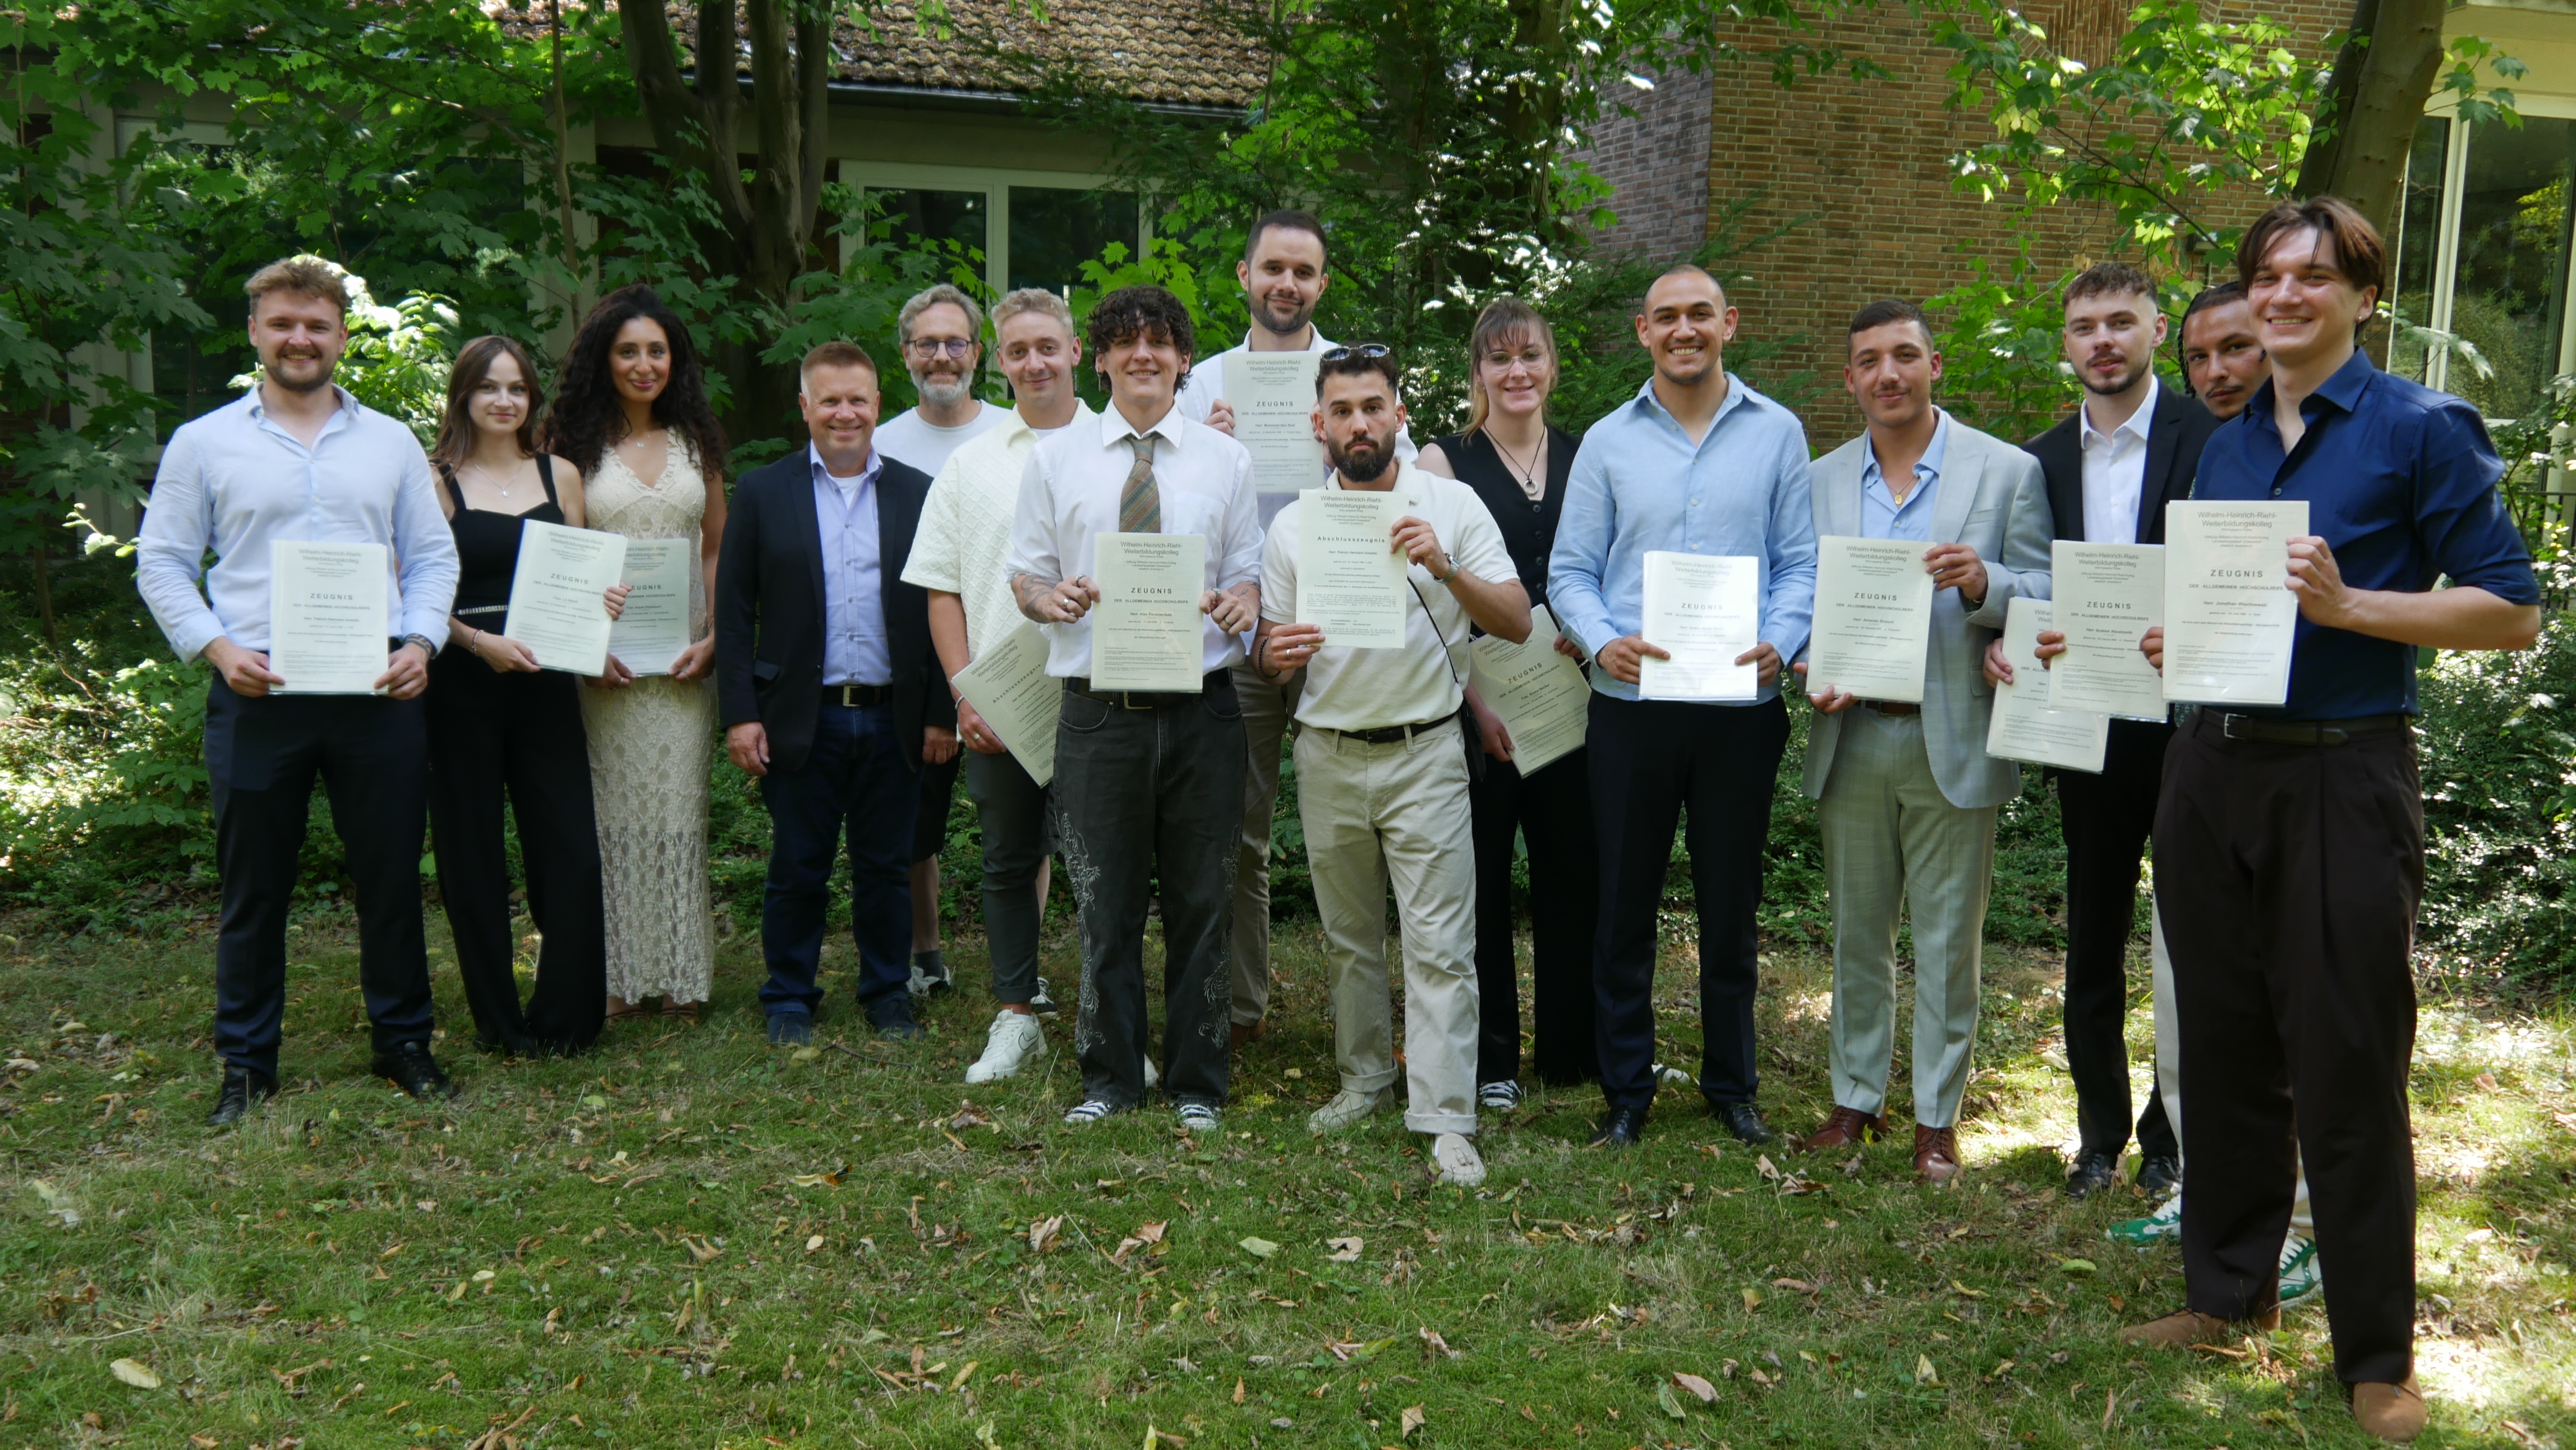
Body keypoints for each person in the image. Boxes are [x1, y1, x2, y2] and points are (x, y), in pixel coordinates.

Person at [2113, 199, 2541, 1445]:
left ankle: (2374, 1353)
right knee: (2222, 1045)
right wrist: (2182, 638)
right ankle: (2226, 1291)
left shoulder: (2420, 428)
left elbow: (2510, 610)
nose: (2284, 294)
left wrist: (2353, 608)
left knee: (2346, 1059)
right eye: (2266, 276)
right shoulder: (2228, 441)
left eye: (2313, 275)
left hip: (2338, 776)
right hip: (2209, 769)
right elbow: (2234, 608)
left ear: (2363, 294)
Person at [134, 255, 462, 1124]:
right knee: (254, 886)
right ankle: (247, 1065)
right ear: (255, 332)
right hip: (257, 688)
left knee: (390, 876)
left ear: (342, 336)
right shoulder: (204, 442)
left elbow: (433, 557)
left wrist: (422, 641)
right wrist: (215, 648)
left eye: (316, 325)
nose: (300, 339)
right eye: (282, 323)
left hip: (377, 689)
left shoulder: (390, 442)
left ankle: (403, 1042)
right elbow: (162, 561)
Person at [1548, 263, 1818, 1149]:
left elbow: (1801, 561)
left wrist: (1780, 636)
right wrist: (1599, 640)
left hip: (1740, 706)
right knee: (1622, 903)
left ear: (1728, 323)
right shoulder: (1607, 441)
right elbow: (1570, 572)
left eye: (1700, 313)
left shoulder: (1778, 433)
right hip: (1632, 705)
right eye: (1666, 317)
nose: (1684, 329)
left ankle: (1732, 1086)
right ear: (1644, 331)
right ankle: (1627, 1091)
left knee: (1730, 903)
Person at [1790, 299, 2051, 1183]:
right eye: (1869, 361)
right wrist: (1802, 655)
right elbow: (1799, 592)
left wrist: (1987, 584)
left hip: (1954, 736)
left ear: (1934, 366)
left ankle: (1938, 1119)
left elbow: (2048, 590)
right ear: (1850, 379)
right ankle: (1855, 1100)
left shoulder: (2007, 471)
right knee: (1857, 934)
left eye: (1905, 355)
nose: (1888, 374)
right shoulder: (1821, 480)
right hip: (1852, 731)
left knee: (1947, 942)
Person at [1254, 344, 1527, 1186]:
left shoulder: (1450, 503)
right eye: (1341, 411)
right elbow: (1270, 651)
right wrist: (1276, 653)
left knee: (1441, 943)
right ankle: (1365, 1079)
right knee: (1349, 940)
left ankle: (1445, 1117)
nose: (1359, 424)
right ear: (1319, 425)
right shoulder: (1295, 525)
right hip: (1327, 752)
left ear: (1399, 414)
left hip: (1425, 750)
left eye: (1373, 406)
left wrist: (1444, 564)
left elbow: (1515, 620)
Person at [1007, 284, 1261, 1130]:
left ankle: (1197, 1084)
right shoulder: (1056, 460)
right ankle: (1110, 1080)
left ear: (1184, 360)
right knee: (1103, 905)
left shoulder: (1227, 461)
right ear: (1103, 359)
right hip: (1098, 713)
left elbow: (1248, 571)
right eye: (1125, 341)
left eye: (1160, 342)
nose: (1143, 354)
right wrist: (1049, 600)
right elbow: (1025, 574)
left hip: (1204, 712)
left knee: (1204, 903)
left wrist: (1241, 602)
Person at [1175, 209, 1415, 1049]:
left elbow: (1404, 487)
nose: (1287, 284)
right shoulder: (1202, 381)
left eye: (1303, 271)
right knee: (1237, 826)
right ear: (1245, 276)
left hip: (1347, 624)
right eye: (1272, 268)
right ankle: (1242, 1006)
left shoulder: (1356, 377)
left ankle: (1385, 1012)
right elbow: (1162, 504)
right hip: (1240, 629)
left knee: (1370, 824)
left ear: (1322, 283)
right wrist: (1198, 451)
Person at [2014, 261, 2218, 1199]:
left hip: (2191, 726)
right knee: (2092, 935)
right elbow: (2027, 583)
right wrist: (2011, 643)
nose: (2102, 341)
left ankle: (2170, 1136)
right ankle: (2098, 1136)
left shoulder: (2212, 437)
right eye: (2085, 326)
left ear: (2156, 331)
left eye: (2120, 323)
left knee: (2190, 942)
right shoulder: (2041, 460)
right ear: (2066, 342)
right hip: (2087, 726)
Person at [716, 341, 952, 1043]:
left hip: (892, 716)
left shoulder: (917, 492)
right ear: (805, 407)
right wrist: (739, 715)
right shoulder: (762, 492)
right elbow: (734, 612)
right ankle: (789, 996)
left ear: (877, 405)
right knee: (797, 867)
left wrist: (940, 713)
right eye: (829, 400)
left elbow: (945, 604)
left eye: (856, 400)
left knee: (886, 868)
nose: (844, 413)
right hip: (800, 716)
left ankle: (887, 993)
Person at [901, 288, 1093, 1081]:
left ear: (1075, 352)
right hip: (1002, 703)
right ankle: (1015, 1016)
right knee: (1010, 861)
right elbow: (940, 588)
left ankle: (1110, 1022)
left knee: (1106, 866)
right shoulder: (969, 464)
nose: (1034, 363)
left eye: (1047, 347)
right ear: (1000, 362)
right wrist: (963, 692)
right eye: (1018, 351)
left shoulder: (1121, 449)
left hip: (1101, 695)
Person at [1415, 297, 1598, 1108]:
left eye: (1530, 356)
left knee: (1574, 875)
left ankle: (1570, 1052)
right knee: (1481, 881)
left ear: (1551, 366)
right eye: (1500, 358)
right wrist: (1471, 701)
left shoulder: (1588, 455)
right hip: (1478, 704)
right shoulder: (1442, 461)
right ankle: (1492, 1061)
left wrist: (1594, 639)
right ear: (1478, 372)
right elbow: (1427, 598)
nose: (1516, 371)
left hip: (1573, 699)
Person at [424, 335, 622, 1057]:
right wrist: (481, 644)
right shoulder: (433, 481)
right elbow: (413, 593)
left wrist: (604, 603)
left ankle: (566, 1017)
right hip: (461, 681)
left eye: (516, 388)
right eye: (488, 387)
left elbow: (581, 575)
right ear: (463, 395)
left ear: (532, 398)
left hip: (546, 683)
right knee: (472, 856)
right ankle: (499, 1024)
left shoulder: (559, 474)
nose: (504, 400)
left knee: (570, 851)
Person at [540, 286, 726, 1025]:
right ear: (603, 359)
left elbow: (714, 546)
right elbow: (561, 561)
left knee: (678, 814)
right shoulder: (569, 445)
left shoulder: (696, 441)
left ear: (674, 359)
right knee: (612, 818)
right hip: (606, 665)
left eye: (657, 350)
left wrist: (715, 636)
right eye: (628, 351)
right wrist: (586, 649)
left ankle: (680, 972)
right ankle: (618, 976)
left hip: (684, 663)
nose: (644, 364)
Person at [873, 283, 1002, 999]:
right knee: (913, 818)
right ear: (906, 354)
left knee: (1020, 820)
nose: (942, 356)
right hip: (910, 663)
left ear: (978, 353)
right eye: (928, 343)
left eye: (956, 342)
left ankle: (1021, 962)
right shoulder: (879, 442)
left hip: (1006, 653)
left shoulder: (1014, 432)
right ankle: (925, 953)